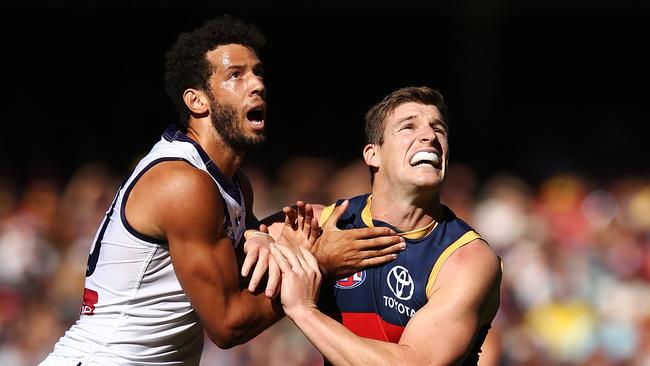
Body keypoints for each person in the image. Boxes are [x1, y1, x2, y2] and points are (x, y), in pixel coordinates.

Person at [39, 15, 405, 366]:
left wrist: (262, 235)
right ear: (197, 101)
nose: (257, 84)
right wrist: (320, 263)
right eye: (235, 75)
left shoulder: (233, 184)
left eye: (258, 72)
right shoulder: (183, 184)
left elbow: (245, 264)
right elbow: (228, 325)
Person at [270, 86, 503, 365]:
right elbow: (224, 268)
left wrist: (303, 309)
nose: (430, 136)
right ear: (373, 154)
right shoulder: (322, 224)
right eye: (408, 127)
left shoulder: (466, 258)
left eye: (439, 129)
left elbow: (416, 363)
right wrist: (255, 237)